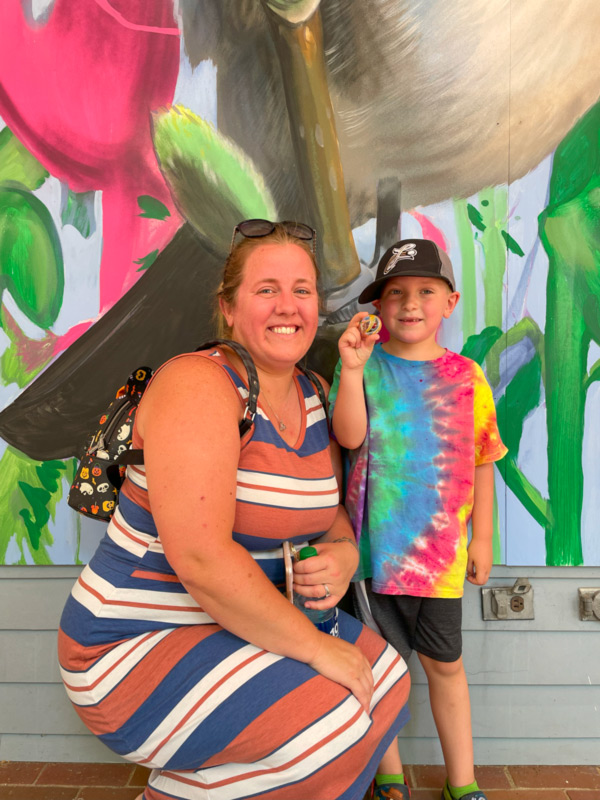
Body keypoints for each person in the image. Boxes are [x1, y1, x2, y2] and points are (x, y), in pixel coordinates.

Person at [58, 220, 411, 800]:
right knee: (335, 721)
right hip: (132, 641)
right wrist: (319, 648)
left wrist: (345, 555)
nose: (288, 305)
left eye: (302, 289)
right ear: (228, 308)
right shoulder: (198, 383)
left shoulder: (315, 391)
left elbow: (328, 515)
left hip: (241, 623)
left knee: (389, 683)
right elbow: (200, 557)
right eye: (266, 289)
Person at [330, 239, 508, 800]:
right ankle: (389, 777)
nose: (410, 304)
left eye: (425, 291)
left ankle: (463, 783)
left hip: (440, 562)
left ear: (450, 302)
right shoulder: (365, 369)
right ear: (377, 308)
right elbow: (349, 437)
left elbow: (483, 461)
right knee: (380, 672)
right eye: (396, 294)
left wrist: (483, 537)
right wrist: (352, 370)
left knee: (445, 670)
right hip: (372, 554)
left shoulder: (467, 377)